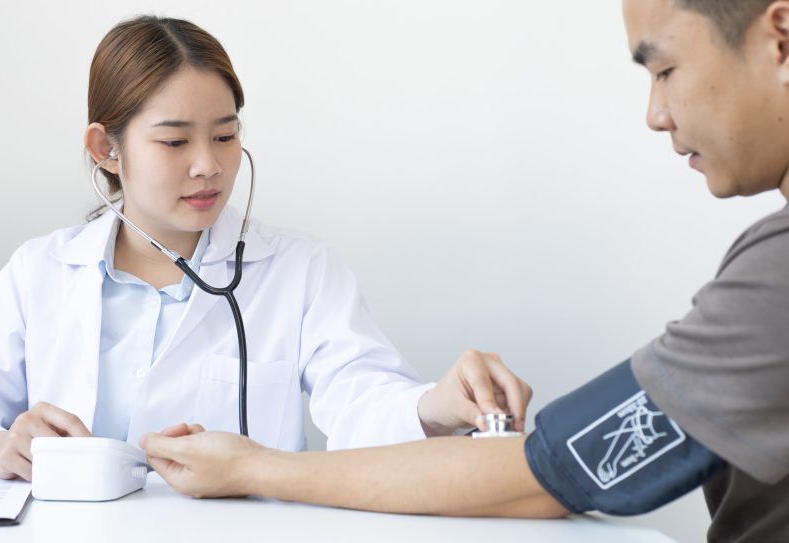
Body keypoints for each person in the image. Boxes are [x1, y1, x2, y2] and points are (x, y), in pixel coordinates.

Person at [139, 1, 789, 540]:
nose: (655, 114)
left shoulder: (775, 277)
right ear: (104, 149)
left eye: (666, 69)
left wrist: (255, 467)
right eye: (173, 140)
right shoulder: (767, 259)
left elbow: (545, 474)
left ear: (781, 39)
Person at [0, 16, 534, 482]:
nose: (208, 165)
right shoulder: (40, 272)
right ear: (106, 149)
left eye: (225, 136)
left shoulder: (299, 270)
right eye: (175, 142)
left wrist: (438, 405)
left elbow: (363, 402)